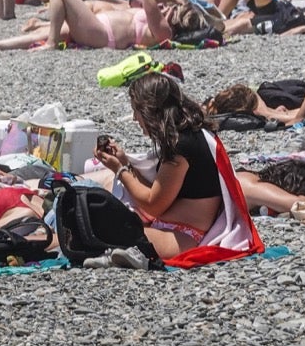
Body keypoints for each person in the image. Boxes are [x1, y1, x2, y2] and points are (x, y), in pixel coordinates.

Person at [92, 74, 229, 259]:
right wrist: (125, 163)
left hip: (183, 237)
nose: (134, 118)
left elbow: (153, 205)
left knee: (94, 229)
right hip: (176, 230)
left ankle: (42, 242)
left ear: (150, 110)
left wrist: (119, 170)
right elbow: (157, 193)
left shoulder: (182, 146)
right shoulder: (189, 135)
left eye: (136, 111)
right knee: (91, 224)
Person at [0, 0, 208, 51]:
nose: (166, 9)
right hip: (98, 29)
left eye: (172, 11)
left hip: (102, 36)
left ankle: (50, 43)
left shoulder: (164, 30)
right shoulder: (160, 24)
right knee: (36, 36)